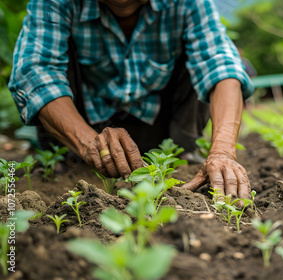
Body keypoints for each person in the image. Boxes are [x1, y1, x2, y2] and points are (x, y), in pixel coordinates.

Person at [8, 0, 254, 199]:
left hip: (161, 125)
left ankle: (181, 154)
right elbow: (34, 71)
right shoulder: (56, 3)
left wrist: (222, 151)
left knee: (212, 63)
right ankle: (67, 158)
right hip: (81, 128)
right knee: (46, 68)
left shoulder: (188, 4)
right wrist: (87, 142)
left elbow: (222, 67)